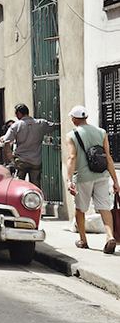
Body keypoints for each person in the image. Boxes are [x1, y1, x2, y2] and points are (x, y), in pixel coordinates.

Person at [65, 105, 120, 253]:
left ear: (74, 119)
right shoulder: (101, 132)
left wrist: (69, 179)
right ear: (86, 118)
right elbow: (108, 157)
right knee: (104, 207)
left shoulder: (71, 135)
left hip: (83, 178)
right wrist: (115, 180)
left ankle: (83, 240)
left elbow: (72, 157)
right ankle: (109, 237)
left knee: (80, 209)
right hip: (102, 175)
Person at [1, 104, 59, 188]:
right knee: (35, 186)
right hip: (36, 161)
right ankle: (35, 200)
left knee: (18, 185)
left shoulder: (16, 126)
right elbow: (55, 126)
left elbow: (6, 142)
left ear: (19, 114)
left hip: (21, 160)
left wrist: (10, 158)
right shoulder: (40, 123)